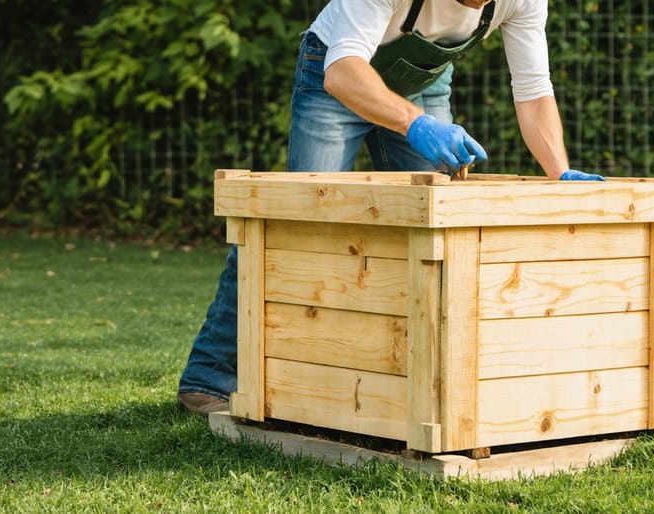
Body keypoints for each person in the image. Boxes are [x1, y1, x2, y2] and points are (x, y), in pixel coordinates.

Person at [177, 0, 605, 414]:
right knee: (297, 226)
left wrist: (560, 173)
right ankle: (208, 378)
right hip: (333, 75)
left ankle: (417, 381)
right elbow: (343, 73)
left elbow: (532, 91)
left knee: (438, 227)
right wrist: (415, 123)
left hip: (421, 86)